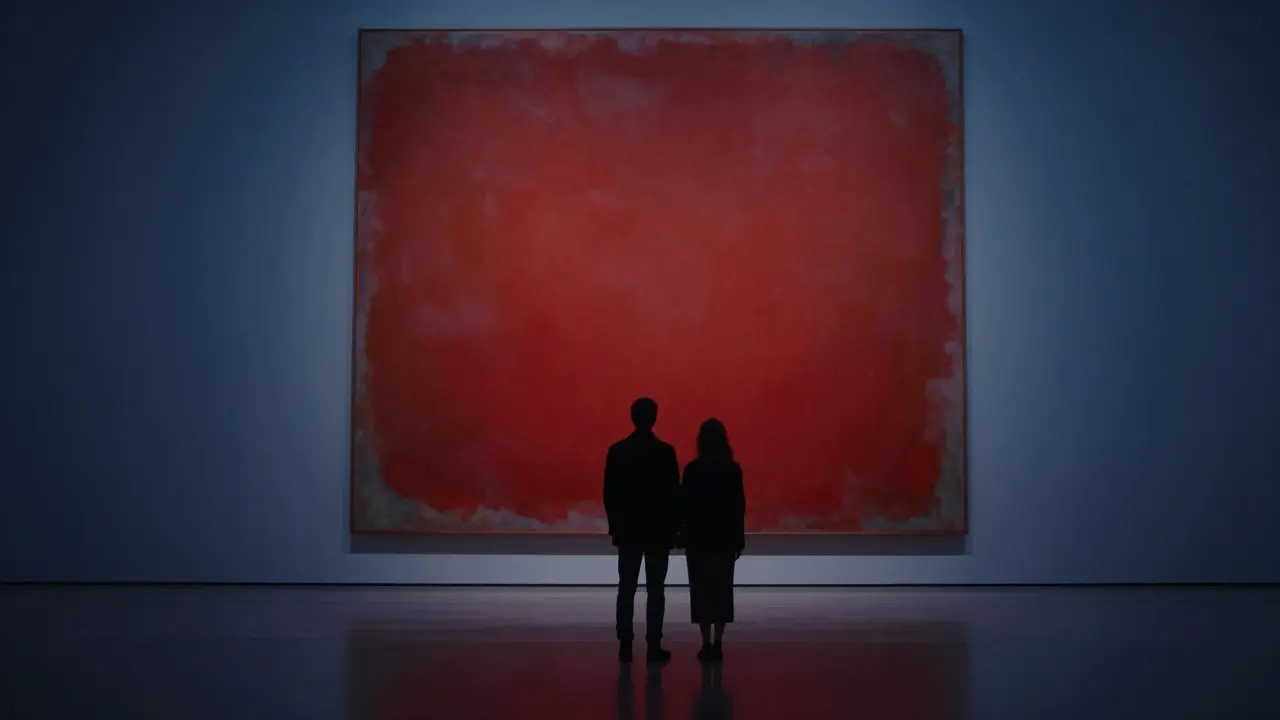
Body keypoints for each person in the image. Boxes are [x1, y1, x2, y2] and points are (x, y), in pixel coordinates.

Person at [604, 397, 681, 664]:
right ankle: (653, 644)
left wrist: (615, 526)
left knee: (626, 588)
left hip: (628, 531)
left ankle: (625, 643)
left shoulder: (618, 451)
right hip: (658, 531)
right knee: (656, 590)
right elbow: (673, 495)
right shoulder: (665, 453)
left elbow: (610, 494)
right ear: (654, 418)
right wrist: (675, 529)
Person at [680, 418, 745, 663]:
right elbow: (738, 508)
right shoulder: (732, 470)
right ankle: (718, 643)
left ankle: (705, 642)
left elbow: (684, 506)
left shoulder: (693, 470)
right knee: (721, 591)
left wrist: (681, 533)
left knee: (701, 591)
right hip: (724, 539)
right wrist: (738, 540)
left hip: (698, 540)